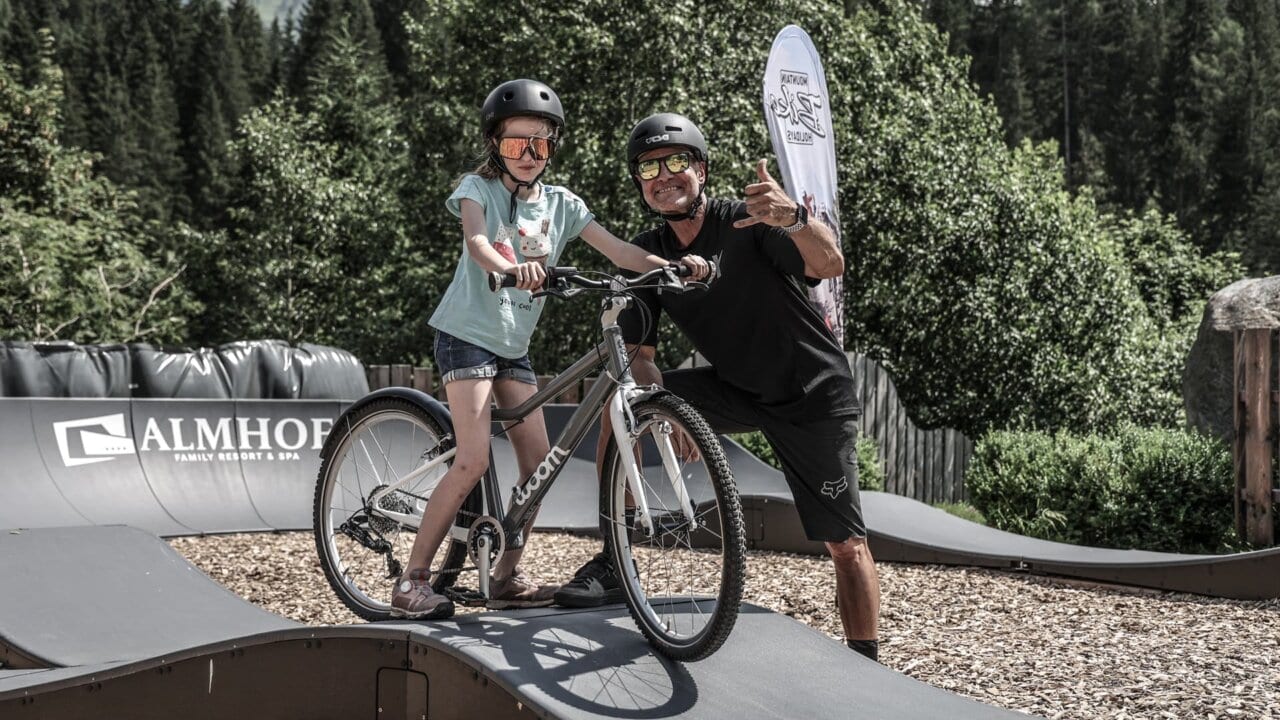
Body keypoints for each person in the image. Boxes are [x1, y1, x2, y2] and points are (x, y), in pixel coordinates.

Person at [552, 112, 882, 661]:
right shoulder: (649, 251)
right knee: (623, 408)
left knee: (845, 545)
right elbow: (640, 359)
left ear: (701, 170)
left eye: (677, 162)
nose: (664, 176)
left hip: (812, 395)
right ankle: (615, 557)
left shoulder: (745, 225)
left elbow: (830, 261)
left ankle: (868, 666)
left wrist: (796, 217)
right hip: (736, 386)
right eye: (650, 168)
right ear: (639, 183)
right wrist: (666, 409)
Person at [393, 84, 709, 619]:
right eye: (518, 145)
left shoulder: (562, 205)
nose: (530, 156)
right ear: (496, 144)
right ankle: (412, 581)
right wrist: (508, 266)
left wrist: (670, 267)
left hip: (513, 347)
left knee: (538, 466)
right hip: (466, 336)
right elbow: (477, 242)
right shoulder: (479, 188)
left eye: (541, 146)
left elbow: (619, 251)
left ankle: (505, 576)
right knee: (472, 459)